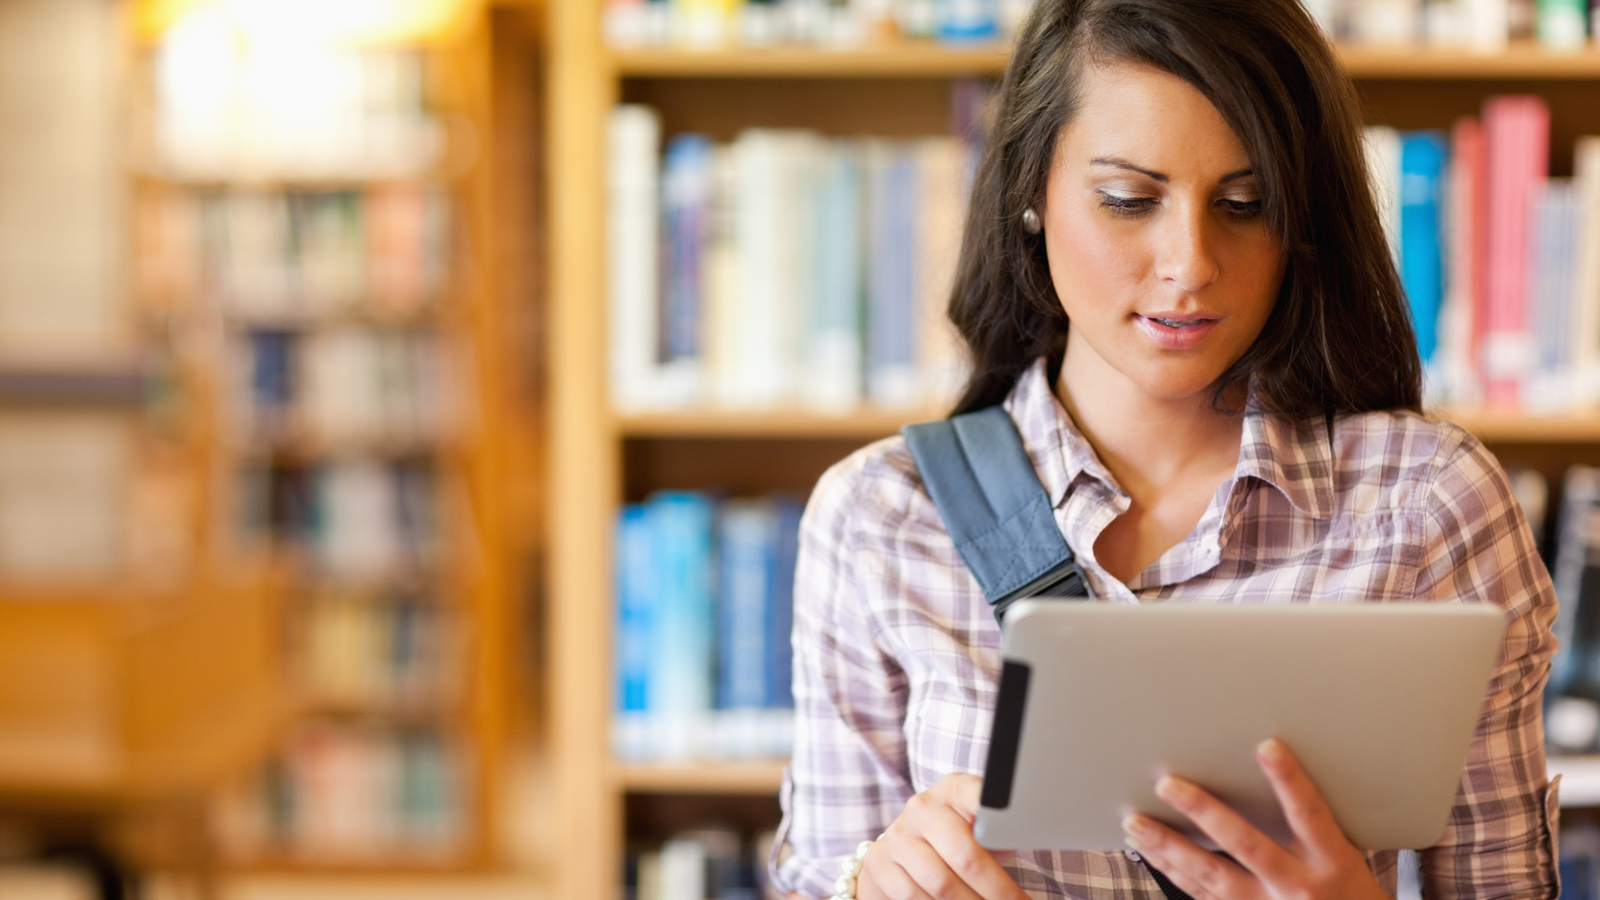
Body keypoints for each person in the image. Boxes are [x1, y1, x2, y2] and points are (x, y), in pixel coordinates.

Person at [765, 1, 1560, 898]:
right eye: (1128, 200)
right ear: (1030, 192)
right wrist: (871, 881)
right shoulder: (881, 516)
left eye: (1245, 204)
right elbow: (816, 874)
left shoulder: (1426, 503)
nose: (1189, 264)